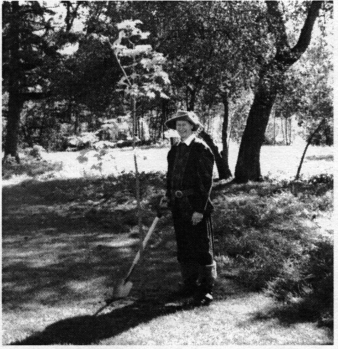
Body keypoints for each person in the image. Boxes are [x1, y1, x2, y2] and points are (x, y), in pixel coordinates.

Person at [163, 110, 217, 306]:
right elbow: (170, 179)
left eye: (185, 124)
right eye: (178, 125)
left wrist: (200, 210)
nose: (181, 128)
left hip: (195, 206)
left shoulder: (201, 149)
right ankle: (189, 284)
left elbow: (205, 182)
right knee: (184, 246)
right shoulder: (175, 150)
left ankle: (205, 289)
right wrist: (167, 197)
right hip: (178, 206)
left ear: (193, 126)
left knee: (201, 247)